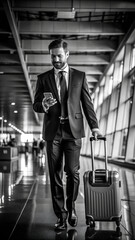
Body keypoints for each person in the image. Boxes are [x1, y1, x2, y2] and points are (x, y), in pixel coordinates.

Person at [33, 39, 101, 231]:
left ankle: (71, 209)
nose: (55, 59)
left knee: (72, 172)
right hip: (53, 132)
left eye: (59, 56)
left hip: (73, 131)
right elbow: (36, 103)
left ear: (67, 55)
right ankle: (61, 216)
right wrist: (42, 106)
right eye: (53, 56)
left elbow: (87, 103)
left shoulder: (79, 76)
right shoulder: (43, 78)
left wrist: (94, 127)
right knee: (55, 174)